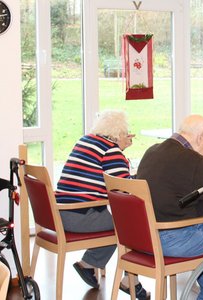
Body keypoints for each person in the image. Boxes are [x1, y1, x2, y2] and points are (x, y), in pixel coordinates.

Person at [136, 114, 203, 300]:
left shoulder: (153, 151)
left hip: (142, 237)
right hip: (171, 239)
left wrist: (202, 153)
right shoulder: (190, 160)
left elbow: (184, 174)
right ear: (199, 138)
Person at [55, 110, 150, 299]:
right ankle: (130, 282)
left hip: (61, 213)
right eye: (125, 133)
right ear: (118, 134)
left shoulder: (85, 141)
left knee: (119, 219)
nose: (128, 136)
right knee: (130, 222)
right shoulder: (111, 151)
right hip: (81, 216)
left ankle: (89, 264)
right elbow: (126, 190)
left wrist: (120, 150)